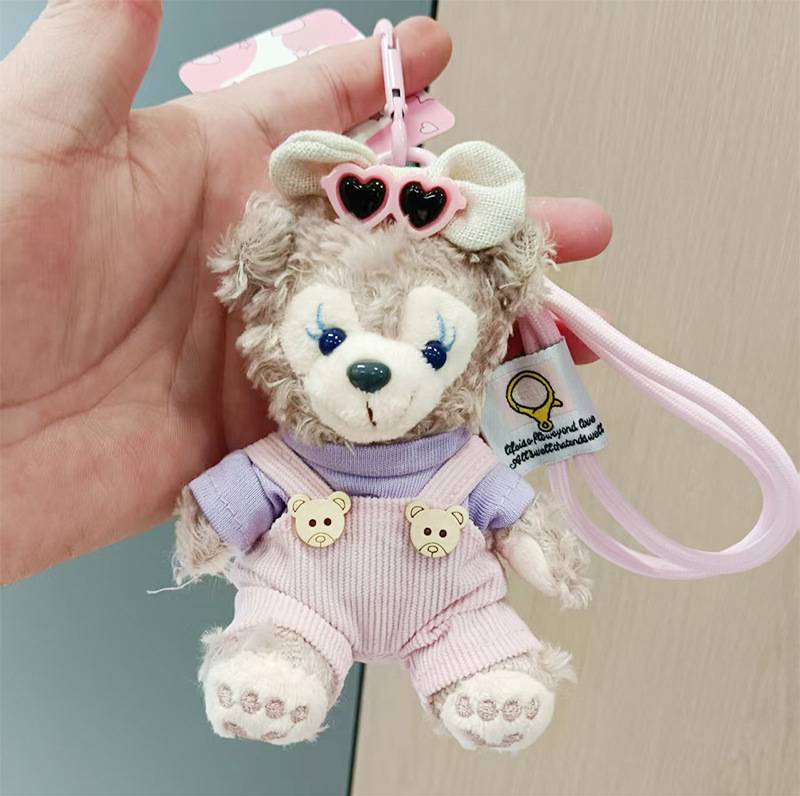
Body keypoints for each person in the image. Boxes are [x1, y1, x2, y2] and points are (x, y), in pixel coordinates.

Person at [0, 1, 612, 583]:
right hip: (303, 603)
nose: (370, 370)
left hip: (449, 606)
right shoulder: (286, 462)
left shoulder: (460, 469)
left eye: (434, 350)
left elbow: (507, 509)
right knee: (279, 635)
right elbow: (234, 501)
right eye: (329, 338)